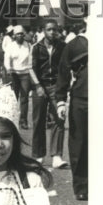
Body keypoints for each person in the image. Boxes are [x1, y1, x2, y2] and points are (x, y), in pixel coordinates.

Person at [56, 14, 88, 200]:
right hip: (81, 100)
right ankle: (82, 186)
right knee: (79, 143)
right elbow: (63, 72)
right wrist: (61, 100)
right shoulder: (75, 44)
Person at [31, 19, 67, 169]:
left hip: (56, 86)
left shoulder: (63, 46)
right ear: (44, 31)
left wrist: (64, 86)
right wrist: (38, 86)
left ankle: (57, 156)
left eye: (55, 29)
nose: (52, 32)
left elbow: (65, 67)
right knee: (38, 120)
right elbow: (31, 68)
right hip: (40, 85)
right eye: (49, 29)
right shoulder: (37, 47)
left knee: (58, 119)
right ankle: (38, 156)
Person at [4, 25, 34, 129]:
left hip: (25, 74)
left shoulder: (29, 46)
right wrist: (8, 69)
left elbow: (31, 60)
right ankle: (11, 120)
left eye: (21, 34)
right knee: (13, 98)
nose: (20, 36)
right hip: (13, 74)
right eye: (18, 34)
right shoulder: (10, 46)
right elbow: (7, 59)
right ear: (14, 36)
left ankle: (23, 121)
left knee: (24, 98)